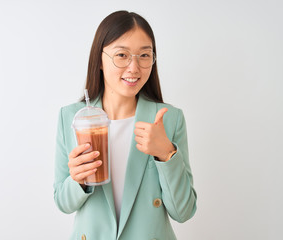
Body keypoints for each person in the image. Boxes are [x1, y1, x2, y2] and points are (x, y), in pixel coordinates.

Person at [54, 10, 197, 240]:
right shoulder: (73, 117)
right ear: (99, 60)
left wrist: (167, 155)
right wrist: (78, 180)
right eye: (122, 55)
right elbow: (62, 202)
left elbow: (184, 211)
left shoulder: (168, 118)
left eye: (144, 55)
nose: (134, 67)